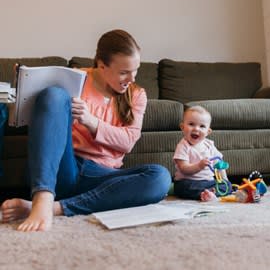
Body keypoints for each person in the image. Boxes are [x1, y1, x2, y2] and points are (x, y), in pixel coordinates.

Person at [0, 29, 171, 232]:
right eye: (124, 72)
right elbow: (48, 125)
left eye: (136, 70)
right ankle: (43, 196)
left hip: (100, 179)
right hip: (63, 169)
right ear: (101, 65)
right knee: (53, 95)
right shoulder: (74, 80)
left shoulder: (136, 95)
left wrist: (91, 121)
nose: (131, 78)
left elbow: (128, 141)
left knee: (160, 177)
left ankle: (53, 208)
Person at [173, 105, 231, 202]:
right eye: (191, 124)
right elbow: (184, 168)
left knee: (227, 186)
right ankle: (206, 193)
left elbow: (219, 165)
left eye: (202, 126)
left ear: (208, 132)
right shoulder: (183, 146)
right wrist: (199, 166)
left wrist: (225, 180)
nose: (196, 129)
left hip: (208, 182)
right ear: (182, 127)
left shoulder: (209, 145)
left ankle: (210, 193)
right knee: (182, 188)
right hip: (188, 182)